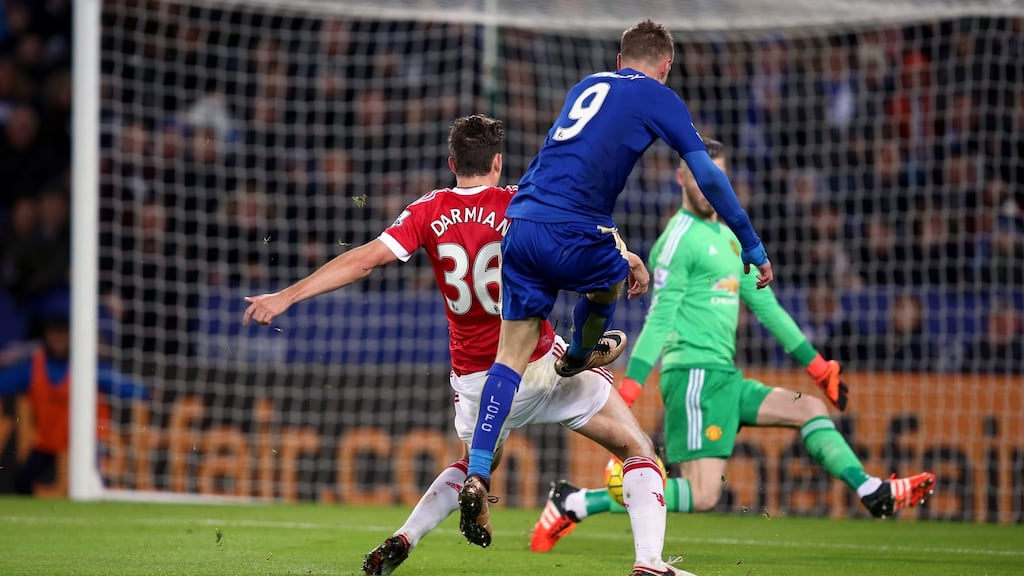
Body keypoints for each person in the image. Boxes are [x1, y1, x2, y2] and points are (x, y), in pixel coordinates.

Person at [241, 115, 693, 576]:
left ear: (452, 163)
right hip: (537, 361)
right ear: (498, 162)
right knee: (637, 448)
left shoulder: (427, 210)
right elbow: (583, 244)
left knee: (475, 462)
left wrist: (287, 296)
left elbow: (364, 262)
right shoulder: (521, 203)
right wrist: (628, 258)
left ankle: (406, 536)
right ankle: (649, 562)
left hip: (476, 378)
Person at [460, 23, 773, 575]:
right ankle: (580, 353)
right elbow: (705, 171)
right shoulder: (658, 95)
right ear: (665, 65)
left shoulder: (586, 84)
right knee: (621, 275)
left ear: (619, 56)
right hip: (574, 228)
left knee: (510, 355)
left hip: (522, 224)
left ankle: (479, 472)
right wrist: (749, 239)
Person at [530, 140, 937, 553]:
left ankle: (870, 489)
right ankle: (578, 502)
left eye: (717, 178)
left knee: (810, 409)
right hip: (693, 378)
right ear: (681, 178)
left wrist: (817, 367)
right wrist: (630, 391)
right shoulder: (678, 239)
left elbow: (767, 307)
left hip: (725, 376)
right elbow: (660, 318)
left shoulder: (729, 238)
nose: (709, 186)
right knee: (703, 494)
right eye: (701, 176)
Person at [0, 296, 150, 494]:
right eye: (54, 333)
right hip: (50, 438)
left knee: (93, 482)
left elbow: (117, 383)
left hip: (86, 439)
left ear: (72, 336)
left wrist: (144, 391)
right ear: (46, 336)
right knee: (22, 481)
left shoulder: (85, 365)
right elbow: (6, 382)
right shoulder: (34, 366)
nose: (59, 339)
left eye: (64, 334)